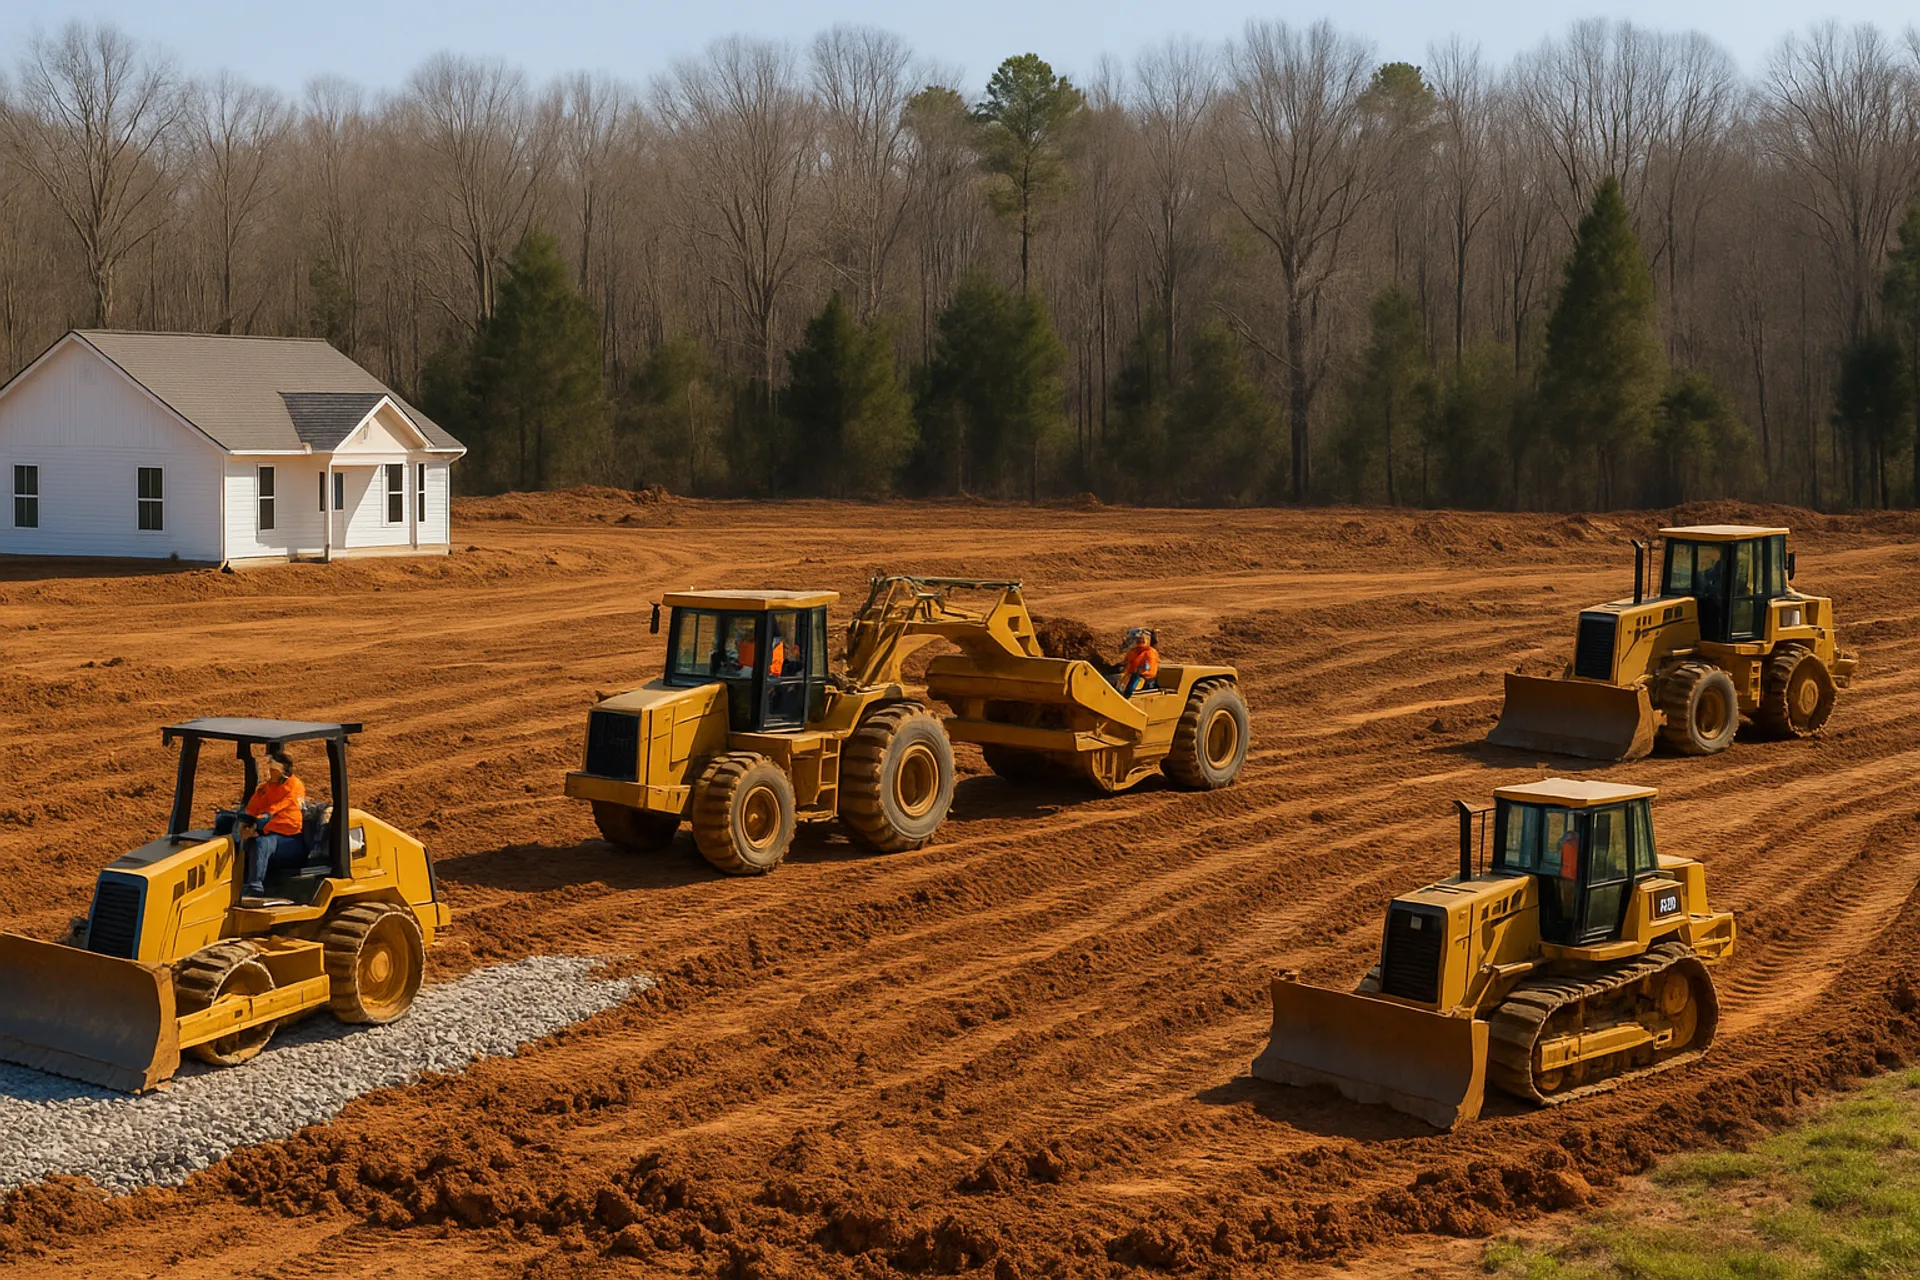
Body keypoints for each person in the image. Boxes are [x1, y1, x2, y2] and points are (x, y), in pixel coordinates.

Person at [237, 748, 308, 907]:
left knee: (262, 843)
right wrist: (242, 824)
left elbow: (274, 811)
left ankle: (254, 888)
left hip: (291, 840)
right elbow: (252, 809)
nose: (268, 772)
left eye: (271, 769)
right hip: (267, 832)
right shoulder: (265, 788)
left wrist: (256, 830)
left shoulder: (294, 786)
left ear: (281, 771)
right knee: (233, 834)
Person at [1118, 628, 1159, 698]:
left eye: (1139, 639)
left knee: (1133, 679)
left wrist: (1134, 673)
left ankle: (1126, 698)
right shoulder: (1134, 651)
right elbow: (1127, 664)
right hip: (1129, 677)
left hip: (1142, 681)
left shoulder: (1150, 653)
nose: (1137, 641)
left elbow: (1149, 672)